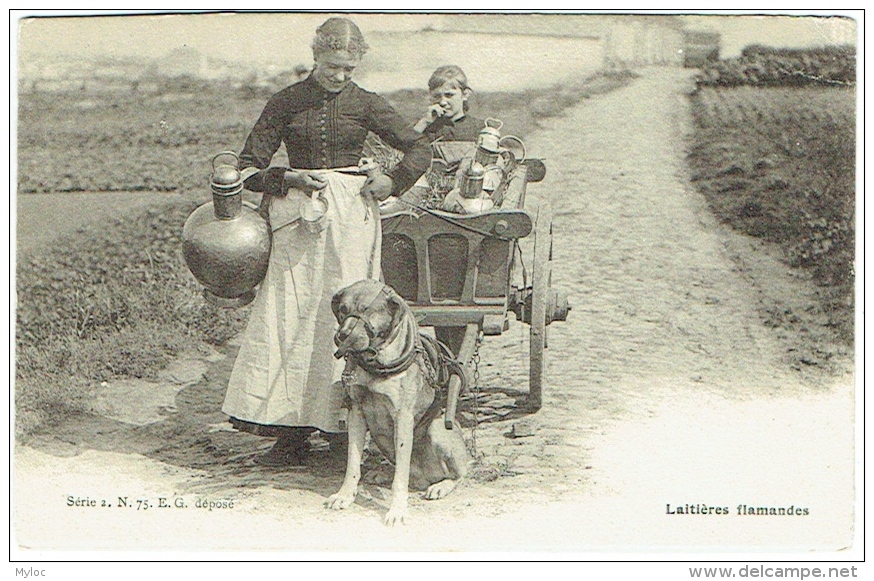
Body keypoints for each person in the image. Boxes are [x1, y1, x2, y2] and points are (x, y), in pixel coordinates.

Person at [222, 17, 431, 467]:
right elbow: (247, 166)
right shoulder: (285, 102)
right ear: (315, 57)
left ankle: (341, 428)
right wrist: (288, 177)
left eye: (348, 70)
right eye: (333, 66)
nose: (339, 77)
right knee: (291, 316)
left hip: (349, 220)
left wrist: (392, 182)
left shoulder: (367, 104)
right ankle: (289, 432)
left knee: (349, 314)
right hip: (297, 219)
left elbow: (419, 148)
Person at [412, 65, 484, 142]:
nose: (442, 102)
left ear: (465, 94)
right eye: (437, 96)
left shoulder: (480, 129)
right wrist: (424, 122)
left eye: (449, 95)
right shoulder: (425, 127)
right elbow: (405, 149)